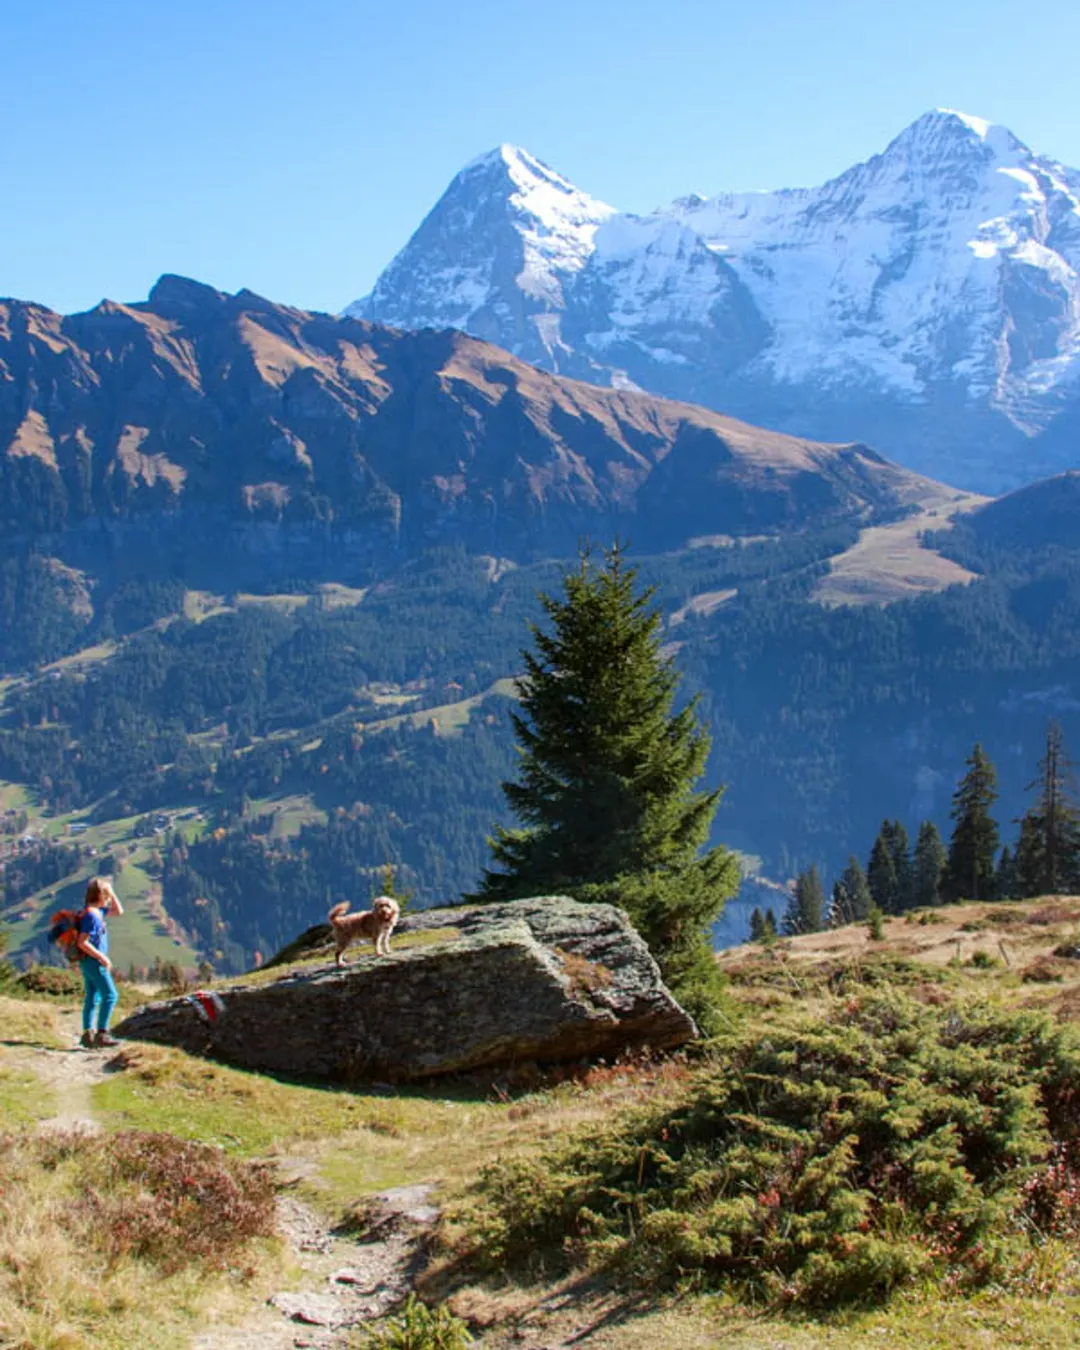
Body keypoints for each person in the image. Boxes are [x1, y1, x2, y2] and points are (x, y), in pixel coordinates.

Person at [76, 877, 124, 1049]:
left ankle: (87, 1033)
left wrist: (112, 893)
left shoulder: (95, 912)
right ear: (101, 895)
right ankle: (102, 1033)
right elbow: (82, 942)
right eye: (107, 894)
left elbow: (119, 911)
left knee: (92, 996)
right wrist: (102, 957)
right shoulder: (92, 916)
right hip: (94, 962)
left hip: (86, 962)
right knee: (110, 996)